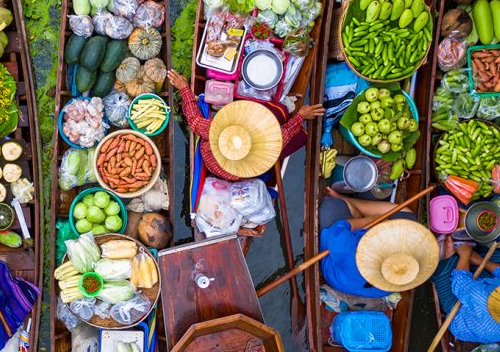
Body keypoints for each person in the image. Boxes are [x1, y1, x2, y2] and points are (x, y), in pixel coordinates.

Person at [167, 69, 325, 182]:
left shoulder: (214, 134)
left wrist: (184, 88)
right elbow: (283, 135)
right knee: (288, 123)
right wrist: (301, 116)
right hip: (252, 164)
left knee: (283, 124)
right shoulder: (262, 150)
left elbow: (194, 120)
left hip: (239, 167)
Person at [319, 188, 417, 297]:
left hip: (334, 254)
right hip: (356, 252)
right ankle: (347, 201)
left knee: (333, 205)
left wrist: (369, 220)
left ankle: (347, 202)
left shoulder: (348, 248)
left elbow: (341, 227)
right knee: (407, 217)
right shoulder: (400, 274)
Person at [432, 236, 500, 343]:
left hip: (459, 310)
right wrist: (480, 261)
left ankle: (456, 258)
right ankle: (473, 259)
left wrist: (465, 255)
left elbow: (460, 282)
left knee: (448, 266)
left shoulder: (488, 303)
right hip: (482, 291)